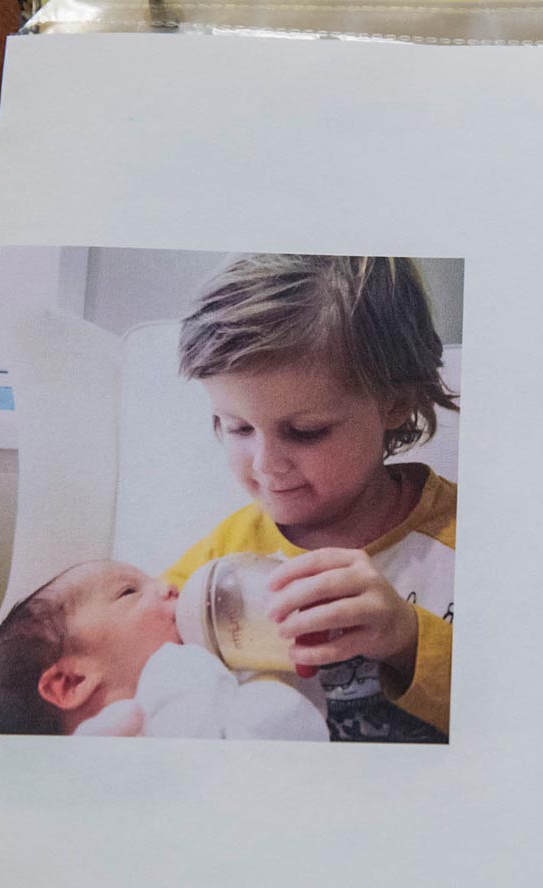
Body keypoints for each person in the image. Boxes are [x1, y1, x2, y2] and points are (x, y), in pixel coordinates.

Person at [163, 255, 459, 742]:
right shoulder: (225, 559)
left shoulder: (464, 537)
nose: (264, 464)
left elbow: (531, 706)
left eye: (305, 432)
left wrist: (408, 640)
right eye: (237, 428)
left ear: (396, 403)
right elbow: (134, 654)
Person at [0, 562, 325, 740]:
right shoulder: (175, 671)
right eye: (128, 591)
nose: (169, 586)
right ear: (72, 681)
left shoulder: (209, 675)